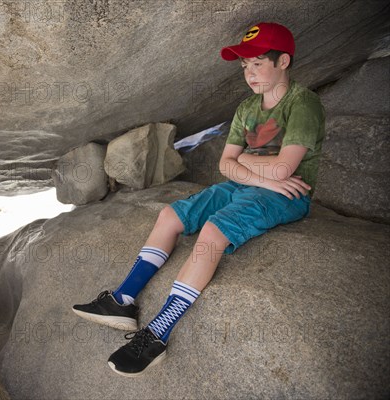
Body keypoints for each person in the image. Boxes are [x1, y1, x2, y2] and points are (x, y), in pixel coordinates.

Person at [72, 21, 326, 377]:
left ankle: (157, 333)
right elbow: (226, 164)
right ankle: (123, 300)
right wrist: (252, 169)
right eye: (244, 67)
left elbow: (284, 171)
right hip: (248, 185)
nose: (250, 74)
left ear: (283, 61)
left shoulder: (303, 104)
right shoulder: (247, 108)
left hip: (287, 196)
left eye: (258, 64)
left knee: (212, 232)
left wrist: (246, 164)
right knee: (170, 216)